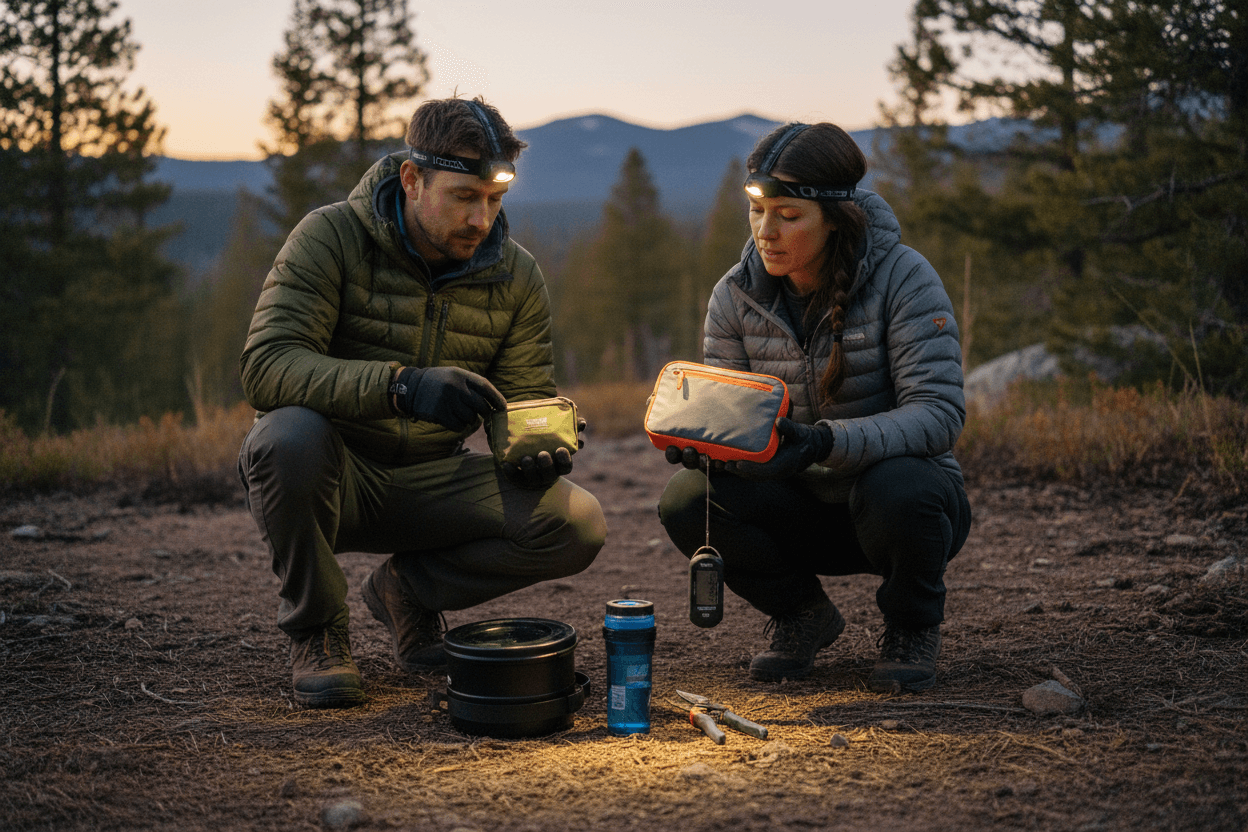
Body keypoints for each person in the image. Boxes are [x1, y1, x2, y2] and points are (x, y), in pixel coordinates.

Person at [237, 96, 608, 708]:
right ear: (411, 178)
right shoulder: (330, 237)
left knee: (576, 522)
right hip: (335, 475)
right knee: (287, 436)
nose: (480, 218)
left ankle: (406, 593)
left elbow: (521, 398)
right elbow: (267, 366)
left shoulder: (515, 277)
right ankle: (319, 633)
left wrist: (534, 444)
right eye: (463, 197)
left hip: (431, 484)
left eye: (494, 200)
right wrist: (401, 385)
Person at [657, 122, 971, 692]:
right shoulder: (735, 296)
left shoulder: (905, 279)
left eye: (788, 215)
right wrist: (710, 445)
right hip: (798, 508)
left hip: (897, 507)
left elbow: (939, 414)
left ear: (834, 218)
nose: (765, 232)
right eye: (756, 210)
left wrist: (825, 440)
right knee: (687, 500)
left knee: (901, 486)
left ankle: (911, 625)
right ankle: (802, 614)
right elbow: (735, 415)